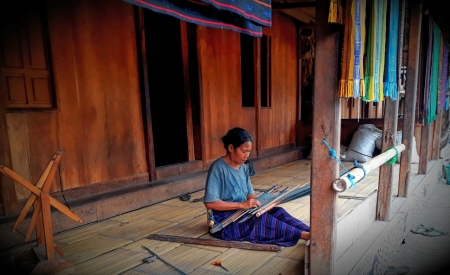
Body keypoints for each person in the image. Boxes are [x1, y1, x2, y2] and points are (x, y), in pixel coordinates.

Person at [203, 127, 310, 247]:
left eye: (249, 151)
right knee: (261, 220)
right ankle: (304, 235)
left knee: (278, 212)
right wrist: (242, 205)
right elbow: (210, 204)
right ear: (231, 148)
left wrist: (263, 204)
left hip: (242, 211)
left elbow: (251, 195)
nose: (247, 155)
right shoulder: (218, 168)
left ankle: (310, 231)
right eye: (244, 151)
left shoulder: (243, 167)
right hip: (225, 220)